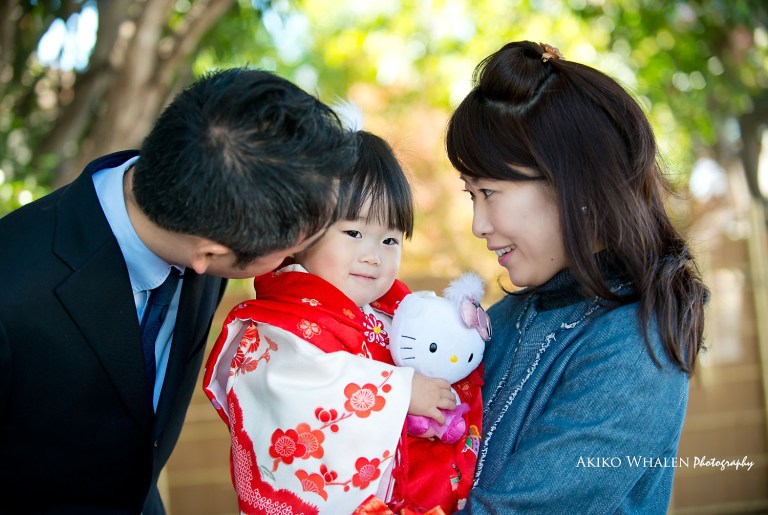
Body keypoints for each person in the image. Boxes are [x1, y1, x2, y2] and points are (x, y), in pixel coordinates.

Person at [0, 68, 356, 514]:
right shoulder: (12, 293)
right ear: (211, 254)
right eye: (292, 249)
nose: (300, 257)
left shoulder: (209, 211)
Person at [445, 41, 708, 513]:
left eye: (489, 192)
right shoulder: (500, 320)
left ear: (571, 181)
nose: (478, 225)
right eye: (471, 195)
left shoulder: (636, 345)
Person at [203, 121, 482, 514]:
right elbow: (291, 392)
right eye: (354, 233)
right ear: (303, 231)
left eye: (390, 240)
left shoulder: (394, 312)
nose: (373, 256)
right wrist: (399, 392)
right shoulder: (276, 325)